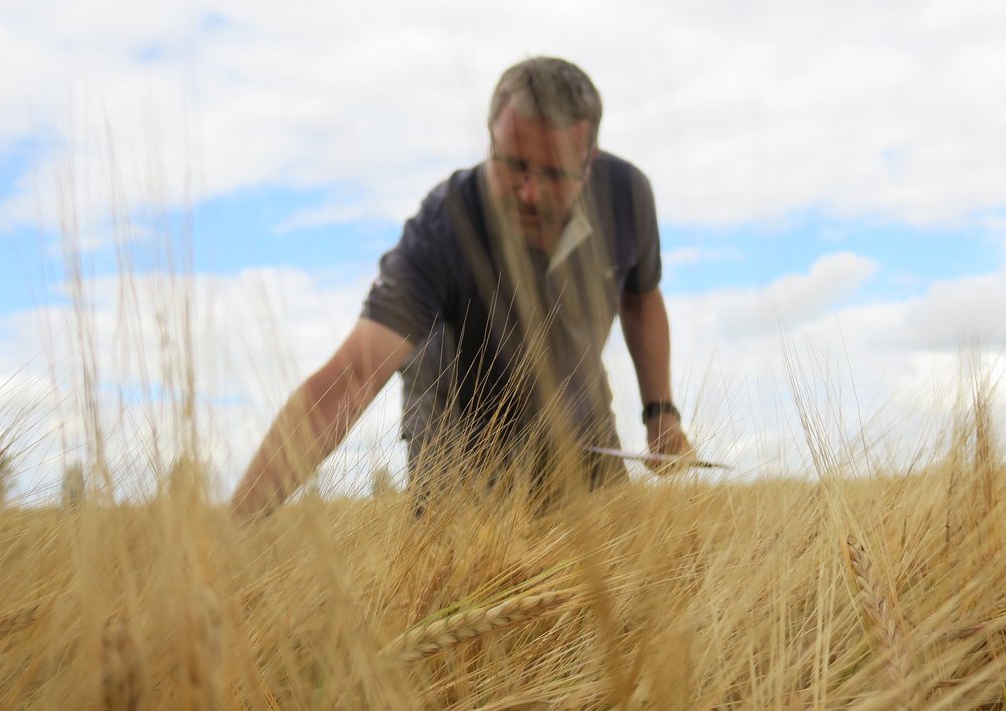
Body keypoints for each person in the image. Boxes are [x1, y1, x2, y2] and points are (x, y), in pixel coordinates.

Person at [230, 57, 692, 519]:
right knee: (458, 575)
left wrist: (660, 410)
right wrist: (234, 531)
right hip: (454, 419)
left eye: (552, 174)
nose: (529, 192)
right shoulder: (442, 229)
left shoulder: (627, 196)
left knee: (615, 563)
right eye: (513, 165)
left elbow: (640, 297)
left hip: (577, 404)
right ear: (491, 139)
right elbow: (350, 378)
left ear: (589, 161)